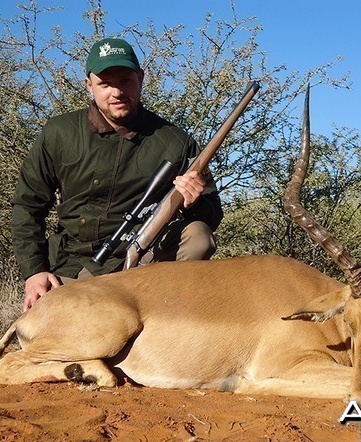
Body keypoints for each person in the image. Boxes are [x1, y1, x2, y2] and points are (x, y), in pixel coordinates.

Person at [12, 37, 223, 312]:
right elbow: (28, 205)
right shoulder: (59, 132)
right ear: (89, 86)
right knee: (56, 335)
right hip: (73, 264)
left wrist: (195, 203)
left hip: (145, 264)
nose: (117, 92)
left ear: (141, 79)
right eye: (105, 84)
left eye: (125, 81)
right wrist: (34, 272)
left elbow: (213, 212)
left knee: (198, 234)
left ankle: (165, 317)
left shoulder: (176, 141)